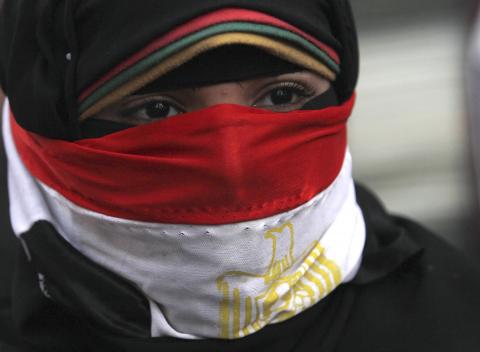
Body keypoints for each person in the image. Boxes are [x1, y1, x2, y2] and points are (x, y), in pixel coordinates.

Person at [1, 1, 480, 351]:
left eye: (281, 96)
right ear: (52, 124)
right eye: (157, 109)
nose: (233, 165)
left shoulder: (443, 318)